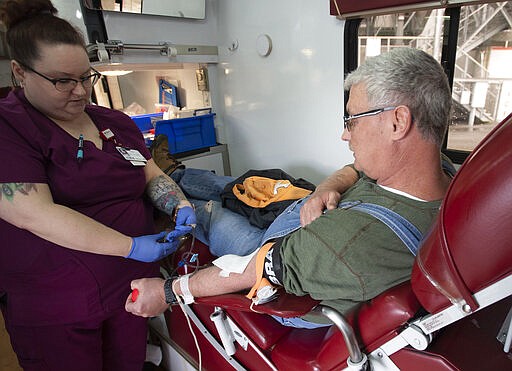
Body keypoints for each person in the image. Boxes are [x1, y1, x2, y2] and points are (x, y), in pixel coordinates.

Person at [126, 47, 453, 328]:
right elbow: (354, 169)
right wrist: (328, 186)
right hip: (316, 222)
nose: (344, 134)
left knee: (210, 213)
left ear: (397, 122)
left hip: (281, 258)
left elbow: (246, 270)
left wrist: (166, 291)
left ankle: (169, 194)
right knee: (242, 185)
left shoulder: (347, 244)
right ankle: (175, 174)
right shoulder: (439, 172)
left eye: (352, 120)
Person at [0, 1, 196, 370]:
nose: (79, 91)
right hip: (57, 304)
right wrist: (131, 246)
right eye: (62, 81)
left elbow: (149, 173)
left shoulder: (113, 122)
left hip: (130, 291)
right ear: (20, 72)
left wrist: (179, 205)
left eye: (86, 77)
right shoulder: (10, 128)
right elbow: (34, 214)